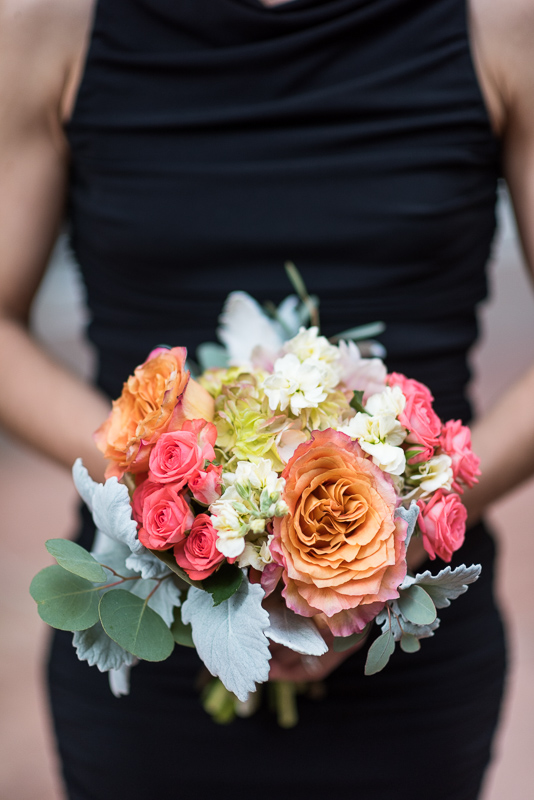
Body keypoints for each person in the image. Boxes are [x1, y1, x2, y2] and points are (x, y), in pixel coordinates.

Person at [1, 0, 533, 797]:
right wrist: (175, 498)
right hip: (151, 623)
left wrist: (384, 547)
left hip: (405, 657)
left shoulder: (503, 20)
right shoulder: (52, 21)